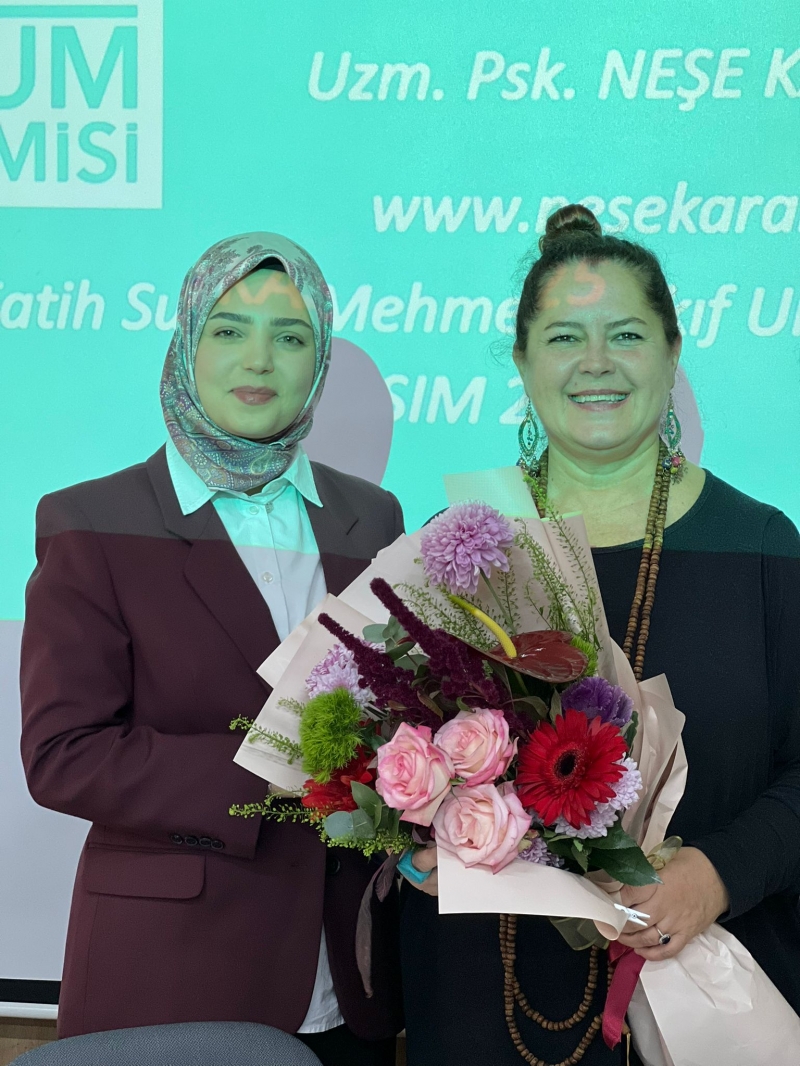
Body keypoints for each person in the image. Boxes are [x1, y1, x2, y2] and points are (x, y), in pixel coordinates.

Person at [399, 205, 800, 1065]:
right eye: (563, 338)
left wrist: (720, 872)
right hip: (488, 1003)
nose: (596, 363)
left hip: (714, 994)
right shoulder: (460, 545)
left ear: (672, 353)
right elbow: (389, 760)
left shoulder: (764, 548)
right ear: (521, 361)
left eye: (625, 335)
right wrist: (410, 844)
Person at [20, 233, 403, 1066]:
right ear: (187, 342)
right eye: (229, 330)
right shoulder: (94, 521)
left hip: (349, 975)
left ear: (318, 362)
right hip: (174, 976)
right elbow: (63, 756)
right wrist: (280, 766)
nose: (258, 358)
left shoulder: (371, 518)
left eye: (291, 336)